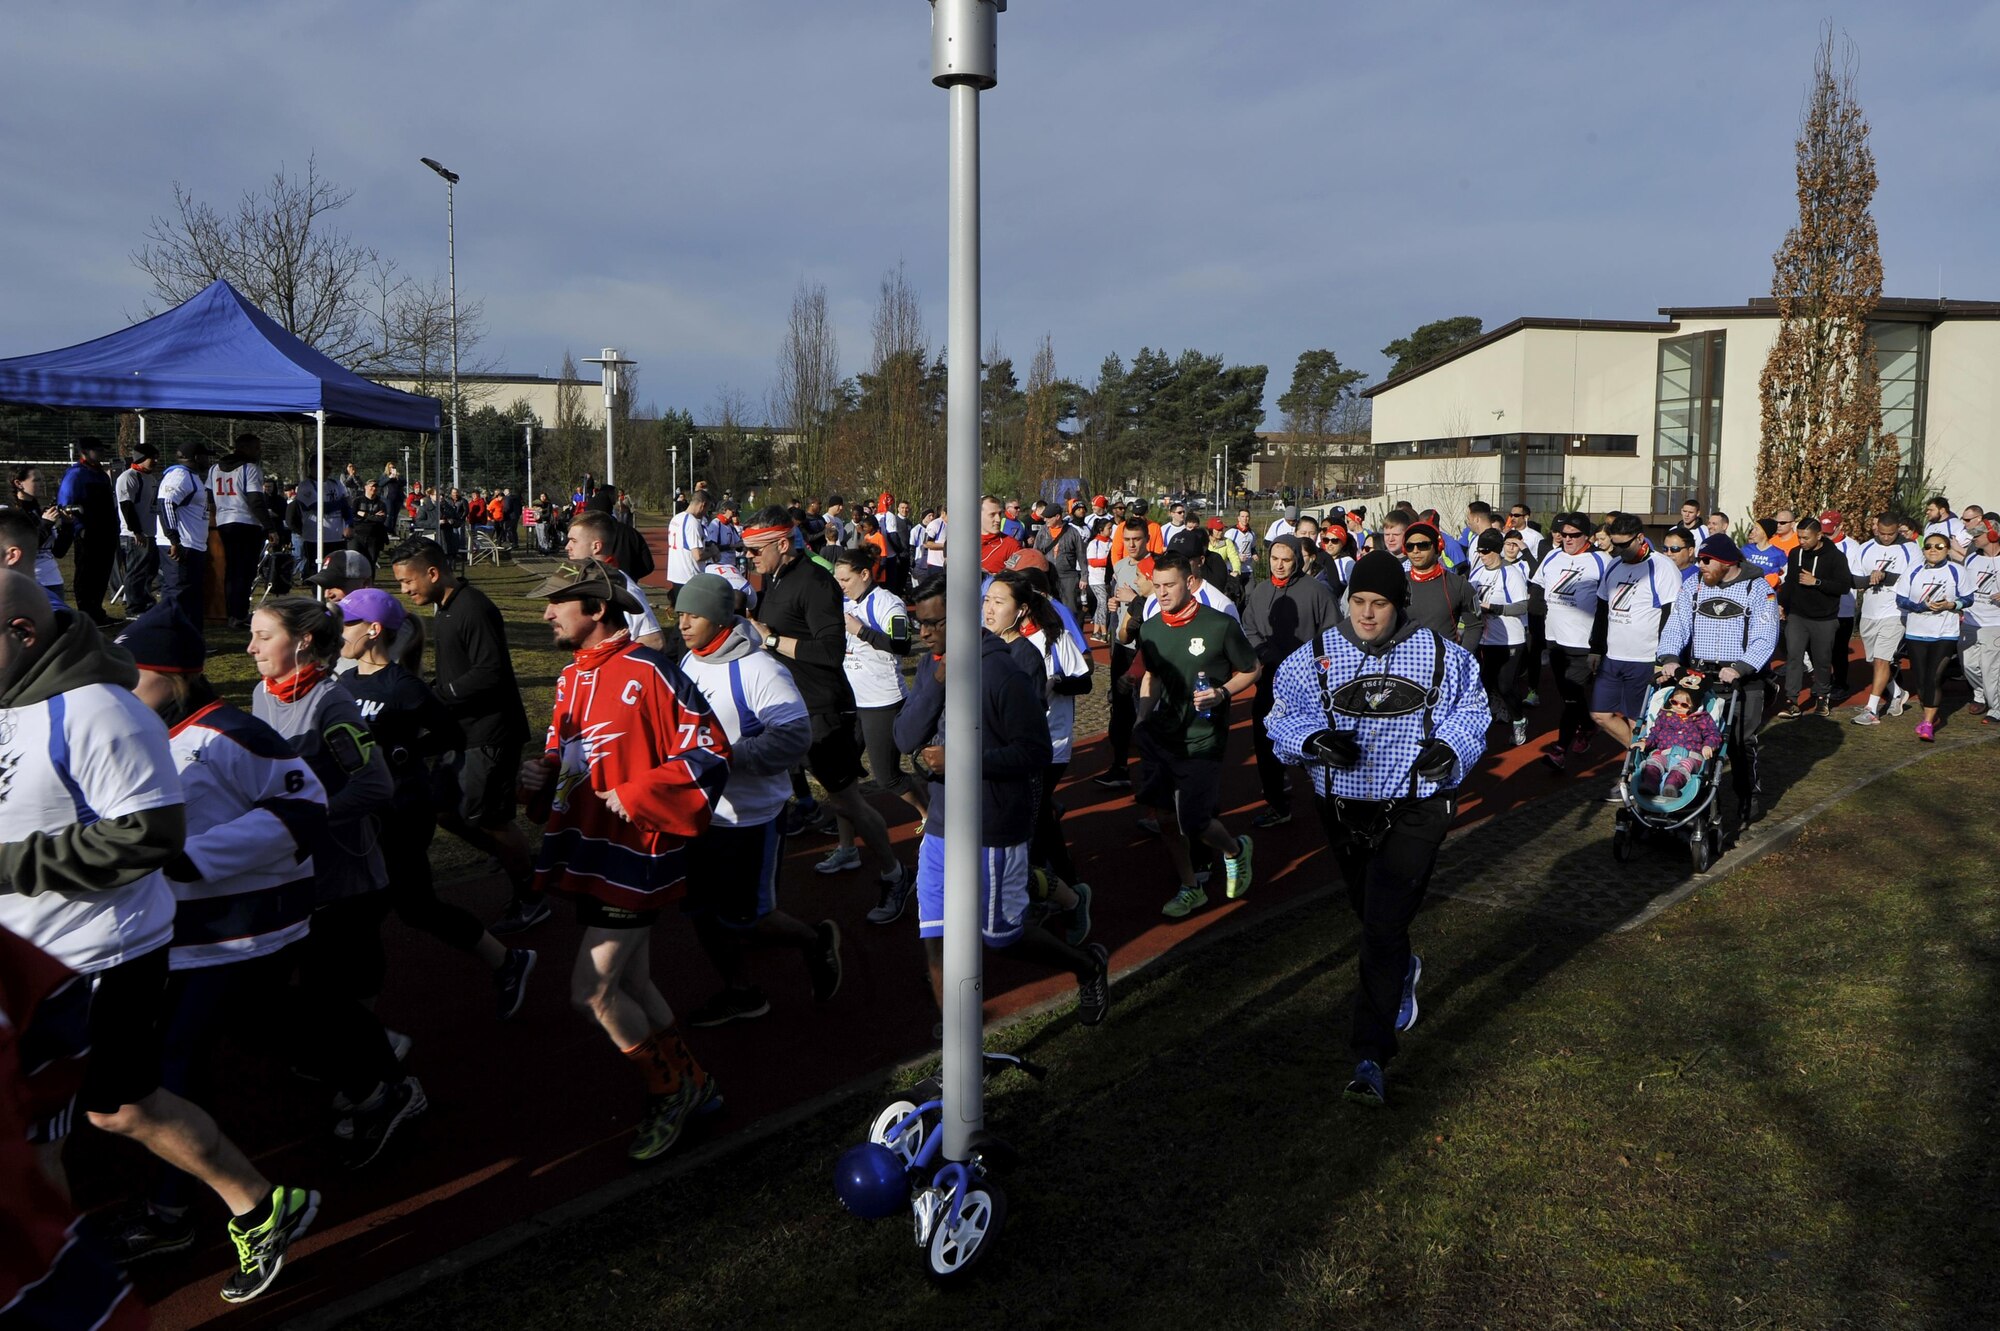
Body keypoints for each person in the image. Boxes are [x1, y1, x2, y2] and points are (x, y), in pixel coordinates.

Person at [0, 574, 320, 1302]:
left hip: (94, 956)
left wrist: (10, 867)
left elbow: (149, 835)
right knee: (103, 1112)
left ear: (22, 635)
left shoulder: (99, 711)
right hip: (26, 957)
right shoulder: (12, 701)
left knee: (101, 1109)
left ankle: (62, 1290)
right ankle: (255, 1204)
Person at [95, 606, 328, 1271]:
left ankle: (178, 1211)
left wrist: (186, 856)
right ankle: (372, 1075)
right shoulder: (138, 733)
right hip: (173, 934)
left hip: (236, 933)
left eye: (129, 675)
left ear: (171, 677)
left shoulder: (227, 732)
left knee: (172, 1065)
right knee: (208, 1052)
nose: (117, 687)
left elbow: (304, 804)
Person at [519, 560, 731, 1160]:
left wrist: (639, 795)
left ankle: (668, 1094)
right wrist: (540, 775)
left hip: (638, 853)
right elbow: (568, 756)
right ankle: (695, 1083)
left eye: (558, 602)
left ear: (596, 610)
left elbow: (711, 750)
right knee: (631, 981)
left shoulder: (650, 670)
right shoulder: (568, 679)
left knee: (591, 992)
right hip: (588, 852)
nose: (546, 613)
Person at [1263, 550, 1491, 1107]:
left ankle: (1370, 1056)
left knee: (1381, 926)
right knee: (1371, 915)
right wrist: (1311, 742)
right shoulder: (1311, 658)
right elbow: (1281, 717)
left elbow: (1473, 712)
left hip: (1417, 807)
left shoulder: (1444, 656)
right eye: (1359, 602)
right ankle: (1403, 969)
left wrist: (1448, 748)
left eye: (1379, 604)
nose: (1367, 614)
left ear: (1400, 604)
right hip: (1343, 809)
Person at [247, 597, 423, 1167]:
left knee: (324, 996)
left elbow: (375, 788)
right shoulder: (259, 696)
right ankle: (365, 1060)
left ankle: (390, 1088)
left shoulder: (332, 704)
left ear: (301, 642)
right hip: (290, 873)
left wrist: (307, 819)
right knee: (281, 999)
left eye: (262, 636)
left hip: (344, 879)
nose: (249, 648)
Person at [893, 576, 1110, 1027]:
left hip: (993, 822)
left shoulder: (1004, 670)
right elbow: (905, 736)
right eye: (921, 623)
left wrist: (962, 760)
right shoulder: (938, 666)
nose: (925, 633)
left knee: (1001, 937)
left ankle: (1087, 964)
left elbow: (1034, 752)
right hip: (942, 822)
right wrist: (935, 680)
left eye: (934, 624)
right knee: (935, 935)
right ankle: (958, 1033)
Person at [336, 588, 538, 1016]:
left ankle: (358, 1028)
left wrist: (406, 753)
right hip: (362, 816)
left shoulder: (403, 686)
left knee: (403, 909)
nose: (340, 630)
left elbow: (450, 734)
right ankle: (355, 1019)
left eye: (348, 622)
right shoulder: (344, 682)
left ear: (373, 631)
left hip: (403, 813)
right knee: (388, 911)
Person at [670, 574, 843, 1025]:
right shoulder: (689, 661)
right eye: (680, 614)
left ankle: (814, 940)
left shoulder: (760, 669)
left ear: (721, 617)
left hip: (750, 818)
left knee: (749, 918)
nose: (683, 623)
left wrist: (723, 758)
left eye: (694, 614)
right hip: (698, 816)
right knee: (702, 912)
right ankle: (741, 992)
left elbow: (793, 736)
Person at [740, 508, 908, 908]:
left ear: (782, 544)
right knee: (790, 789)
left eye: (755, 550)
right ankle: (843, 853)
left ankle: (896, 873)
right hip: (784, 703)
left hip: (820, 708)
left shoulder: (816, 583)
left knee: (848, 799)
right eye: (746, 551)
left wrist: (772, 641)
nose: (750, 558)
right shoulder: (775, 577)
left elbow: (830, 652)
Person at [390, 538, 541, 933]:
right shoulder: (445, 609)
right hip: (461, 731)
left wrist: (438, 695)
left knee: (491, 819)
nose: (405, 591)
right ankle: (515, 861)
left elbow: (491, 673)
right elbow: (459, 671)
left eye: (408, 581)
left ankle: (532, 894)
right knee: (441, 807)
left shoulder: (474, 607)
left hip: (490, 732)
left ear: (433, 573)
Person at [1133, 552, 1260, 918]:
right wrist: (1143, 716)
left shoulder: (1219, 625)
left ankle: (1235, 849)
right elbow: (1151, 676)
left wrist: (1222, 693)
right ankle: (1191, 887)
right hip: (1162, 736)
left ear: (1189, 583)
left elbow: (1252, 670)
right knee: (1166, 820)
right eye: (1156, 586)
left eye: (1169, 585)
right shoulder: (1151, 627)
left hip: (1204, 736)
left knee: (1194, 820)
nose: (1161, 593)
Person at [984, 569, 1095, 945]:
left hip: (1050, 744)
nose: (990, 608)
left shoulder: (1051, 638)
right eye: (988, 599)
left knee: (1031, 829)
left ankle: (1063, 894)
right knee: (1040, 822)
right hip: (1011, 750)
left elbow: (1086, 679)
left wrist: (1055, 683)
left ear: (1024, 604)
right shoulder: (990, 642)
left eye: (999, 601)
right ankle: (1067, 890)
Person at [1655, 534, 1781, 825]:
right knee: (1696, 741)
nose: (1700, 565)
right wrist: (1670, 657)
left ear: (1726, 563)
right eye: (1699, 560)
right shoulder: (1694, 585)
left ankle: (1747, 798)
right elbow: (1677, 624)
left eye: (1706, 561)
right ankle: (1698, 802)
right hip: (1701, 679)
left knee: (1740, 743)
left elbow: (1766, 635)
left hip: (1742, 679)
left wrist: (1741, 667)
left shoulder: (1759, 589)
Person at [1240, 535, 1342, 828]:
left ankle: (1332, 800)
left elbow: (1332, 636)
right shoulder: (1260, 592)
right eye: (1274, 559)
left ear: (1298, 559)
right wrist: (1265, 652)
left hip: (1309, 686)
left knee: (1316, 748)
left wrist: (1310, 667)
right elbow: (1249, 628)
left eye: (1286, 559)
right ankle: (1276, 804)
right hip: (1269, 681)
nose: (1280, 565)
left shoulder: (1317, 592)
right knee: (1265, 743)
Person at [830, 547, 927, 833]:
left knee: (887, 776)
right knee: (841, 775)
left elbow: (902, 646)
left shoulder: (888, 603)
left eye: (845, 580)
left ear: (865, 574)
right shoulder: (844, 602)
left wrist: (861, 631)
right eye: (837, 580)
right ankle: (846, 846)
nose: (841, 586)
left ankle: (930, 814)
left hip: (882, 701)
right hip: (851, 701)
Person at [1589, 512, 1682, 763]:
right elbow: (1601, 608)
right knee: (1599, 713)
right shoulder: (1614, 565)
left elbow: (1670, 616)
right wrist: (1596, 648)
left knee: (1636, 720)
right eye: (1614, 544)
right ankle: (1646, 761)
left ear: (1640, 538)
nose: (1618, 550)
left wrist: (1664, 658)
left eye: (1623, 544)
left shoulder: (1662, 567)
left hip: (1644, 658)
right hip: (1612, 655)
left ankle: (1638, 773)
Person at [1531, 513, 1606, 772]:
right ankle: (1587, 726)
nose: (1568, 540)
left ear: (1587, 536)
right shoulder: (1552, 556)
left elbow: (1607, 607)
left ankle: (1560, 750)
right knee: (1569, 696)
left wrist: (1598, 646)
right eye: (1564, 535)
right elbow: (1538, 591)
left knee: (1573, 697)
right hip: (1554, 640)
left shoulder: (1601, 560)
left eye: (1574, 535)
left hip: (1583, 643)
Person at [1893, 534, 1974, 740]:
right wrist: (1920, 607)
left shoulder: (1957, 571)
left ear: (1947, 549)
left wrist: (1951, 605)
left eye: (1939, 546)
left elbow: (1968, 598)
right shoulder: (1913, 571)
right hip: (1917, 632)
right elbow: (1901, 599)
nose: (1933, 549)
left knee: (1934, 677)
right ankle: (1930, 714)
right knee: (1921, 680)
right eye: (1928, 546)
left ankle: (1928, 723)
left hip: (1945, 632)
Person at [1848, 513, 1920, 725]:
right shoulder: (1866, 548)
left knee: (1882, 660)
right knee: (1874, 661)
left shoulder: (1910, 548)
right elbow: (1853, 579)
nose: (1887, 538)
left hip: (1895, 612)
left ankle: (1871, 710)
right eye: (1883, 533)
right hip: (1870, 612)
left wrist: (1885, 576)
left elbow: (1914, 578)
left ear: (1898, 529)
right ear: (1876, 529)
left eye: (1891, 534)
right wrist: (1870, 578)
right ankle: (1897, 693)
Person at [1778, 515, 1852, 717]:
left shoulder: (1835, 557)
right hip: (1798, 615)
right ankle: (1791, 701)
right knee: (1794, 657)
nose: (1801, 542)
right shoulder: (1795, 553)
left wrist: (1817, 582)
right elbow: (1791, 582)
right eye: (1799, 537)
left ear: (1819, 535)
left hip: (1824, 618)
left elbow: (1844, 586)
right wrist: (1782, 604)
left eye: (1806, 538)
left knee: (1821, 659)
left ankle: (1821, 697)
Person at [1469, 527, 1534, 746]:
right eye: (1479, 551)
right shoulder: (1476, 572)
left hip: (1510, 640)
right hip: (1485, 640)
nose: (1481, 555)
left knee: (1506, 685)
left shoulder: (1511, 573)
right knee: (1483, 684)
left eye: (1486, 551)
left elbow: (1523, 606)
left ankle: (1519, 720)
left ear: (1497, 550)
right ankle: (1493, 714)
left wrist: (1494, 608)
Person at [208, 433, 279, 629]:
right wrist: (269, 527)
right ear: (246, 448)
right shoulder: (250, 468)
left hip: (224, 522)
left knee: (232, 570)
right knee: (245, 571)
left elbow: (210, 496)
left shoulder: (215, 469)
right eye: (256, 448)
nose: (259, 452)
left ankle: (233, 612)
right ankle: (238, 614)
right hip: (246, 523)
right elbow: (255, 500)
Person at [566, 510, 665, 648]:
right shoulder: (581, 580)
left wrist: (612, 656)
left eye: (573, 541)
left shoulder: (622, 587)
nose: (567, 547)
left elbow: (655, 642)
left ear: (596, 546)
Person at [57, 437, 118, 624]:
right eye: (98, 450)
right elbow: (65, 503)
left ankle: (97, 611)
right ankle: (86, 613)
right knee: (86, 575)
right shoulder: (75, 474)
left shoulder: (100, 474)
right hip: (88, 533)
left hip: (106, 532)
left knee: (102, 573)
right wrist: (78, 528)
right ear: (84, 452)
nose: (102, 453)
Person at [154, 441, 213, 617]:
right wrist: (174, 540)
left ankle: (189, 641)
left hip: (191, 545)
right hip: (182, 547)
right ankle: (175, 641)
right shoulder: (180, 476)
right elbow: (165, 503)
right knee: (178, 595)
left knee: (190, 595)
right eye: (205, 457)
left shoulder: (190, 476)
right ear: (196, 458)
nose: (208, 461)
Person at [1400, 521, 1481, 649]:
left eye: (1423, 545)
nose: (1415, 551)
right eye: (1410, 546)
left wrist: (1463, 657)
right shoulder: (1397, 582)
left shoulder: (1459, 584)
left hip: (1444, 664)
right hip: (1405, 662)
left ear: (1438, 547)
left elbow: (1474, 625)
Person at [1633, 687, 1722, 796]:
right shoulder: (1665, 716)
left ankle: (1671, 786)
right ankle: (1649, 784)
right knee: (1653, 761)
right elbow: (1654, 734)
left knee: (1685, 765)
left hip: (1691, 756)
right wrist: (1645, 742)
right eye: (1674, 702)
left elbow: (1712, 734)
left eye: (1683, 705)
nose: (1678, 707)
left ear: (1693, 705)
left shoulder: (1702, 718)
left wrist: (1709, 745)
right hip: (1665, 753)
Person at [115, 443, 163, 615]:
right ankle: (133, 607)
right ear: (141, 459)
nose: (156, 461)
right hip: (135, 534)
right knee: (136, 571)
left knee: (149, 570)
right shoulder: (128, 477)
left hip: (151, 532)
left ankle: (146, 602)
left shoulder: (150, 477)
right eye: (152, 458)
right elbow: (126, 506)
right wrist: (136, 531)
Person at [1960, 520, 2000, 722]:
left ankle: (1996, 710)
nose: (1973, 537)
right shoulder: (1971, 559)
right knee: (1969, 666)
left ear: (1993, 535)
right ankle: (1981, 694)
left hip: (1995, 624)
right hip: (1970, 622)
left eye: (1978, 534)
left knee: (1990, 669)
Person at [666, 489, 713, 592]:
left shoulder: (675, 518)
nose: (705, 513)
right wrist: (713, 553)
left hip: (676, 574)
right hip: (690, 577)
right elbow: (698, 555)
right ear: (703, 505)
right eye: (707, 509)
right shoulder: (692, 522)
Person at [349, 479, 392, 567]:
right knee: (354, 562)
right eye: (371, 486)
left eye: (375, 486)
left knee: (371, 563)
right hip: (357, 536)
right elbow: (353, 517)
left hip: (374, 537)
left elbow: (381, 519)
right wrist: (373, 516)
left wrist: (364, 514)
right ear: (365, 487)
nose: (373, 488)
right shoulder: (357, 501)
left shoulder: (381, 504)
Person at [978, 495, 1021, 573]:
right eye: (992, 515)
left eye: (999, 514)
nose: (998, 519)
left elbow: (1018, 579)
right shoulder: (965, 543)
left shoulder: (1011, 546)